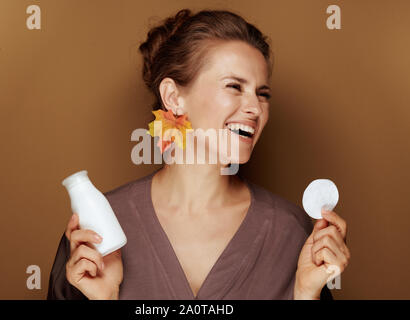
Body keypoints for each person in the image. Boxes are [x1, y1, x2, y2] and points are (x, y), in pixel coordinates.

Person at [47, 8, 350, 300]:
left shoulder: (291, 232)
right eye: (234, 86)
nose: (255, 109)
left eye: (263, 94)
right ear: (174, 97)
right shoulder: (97, 230)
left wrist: (306, 295)